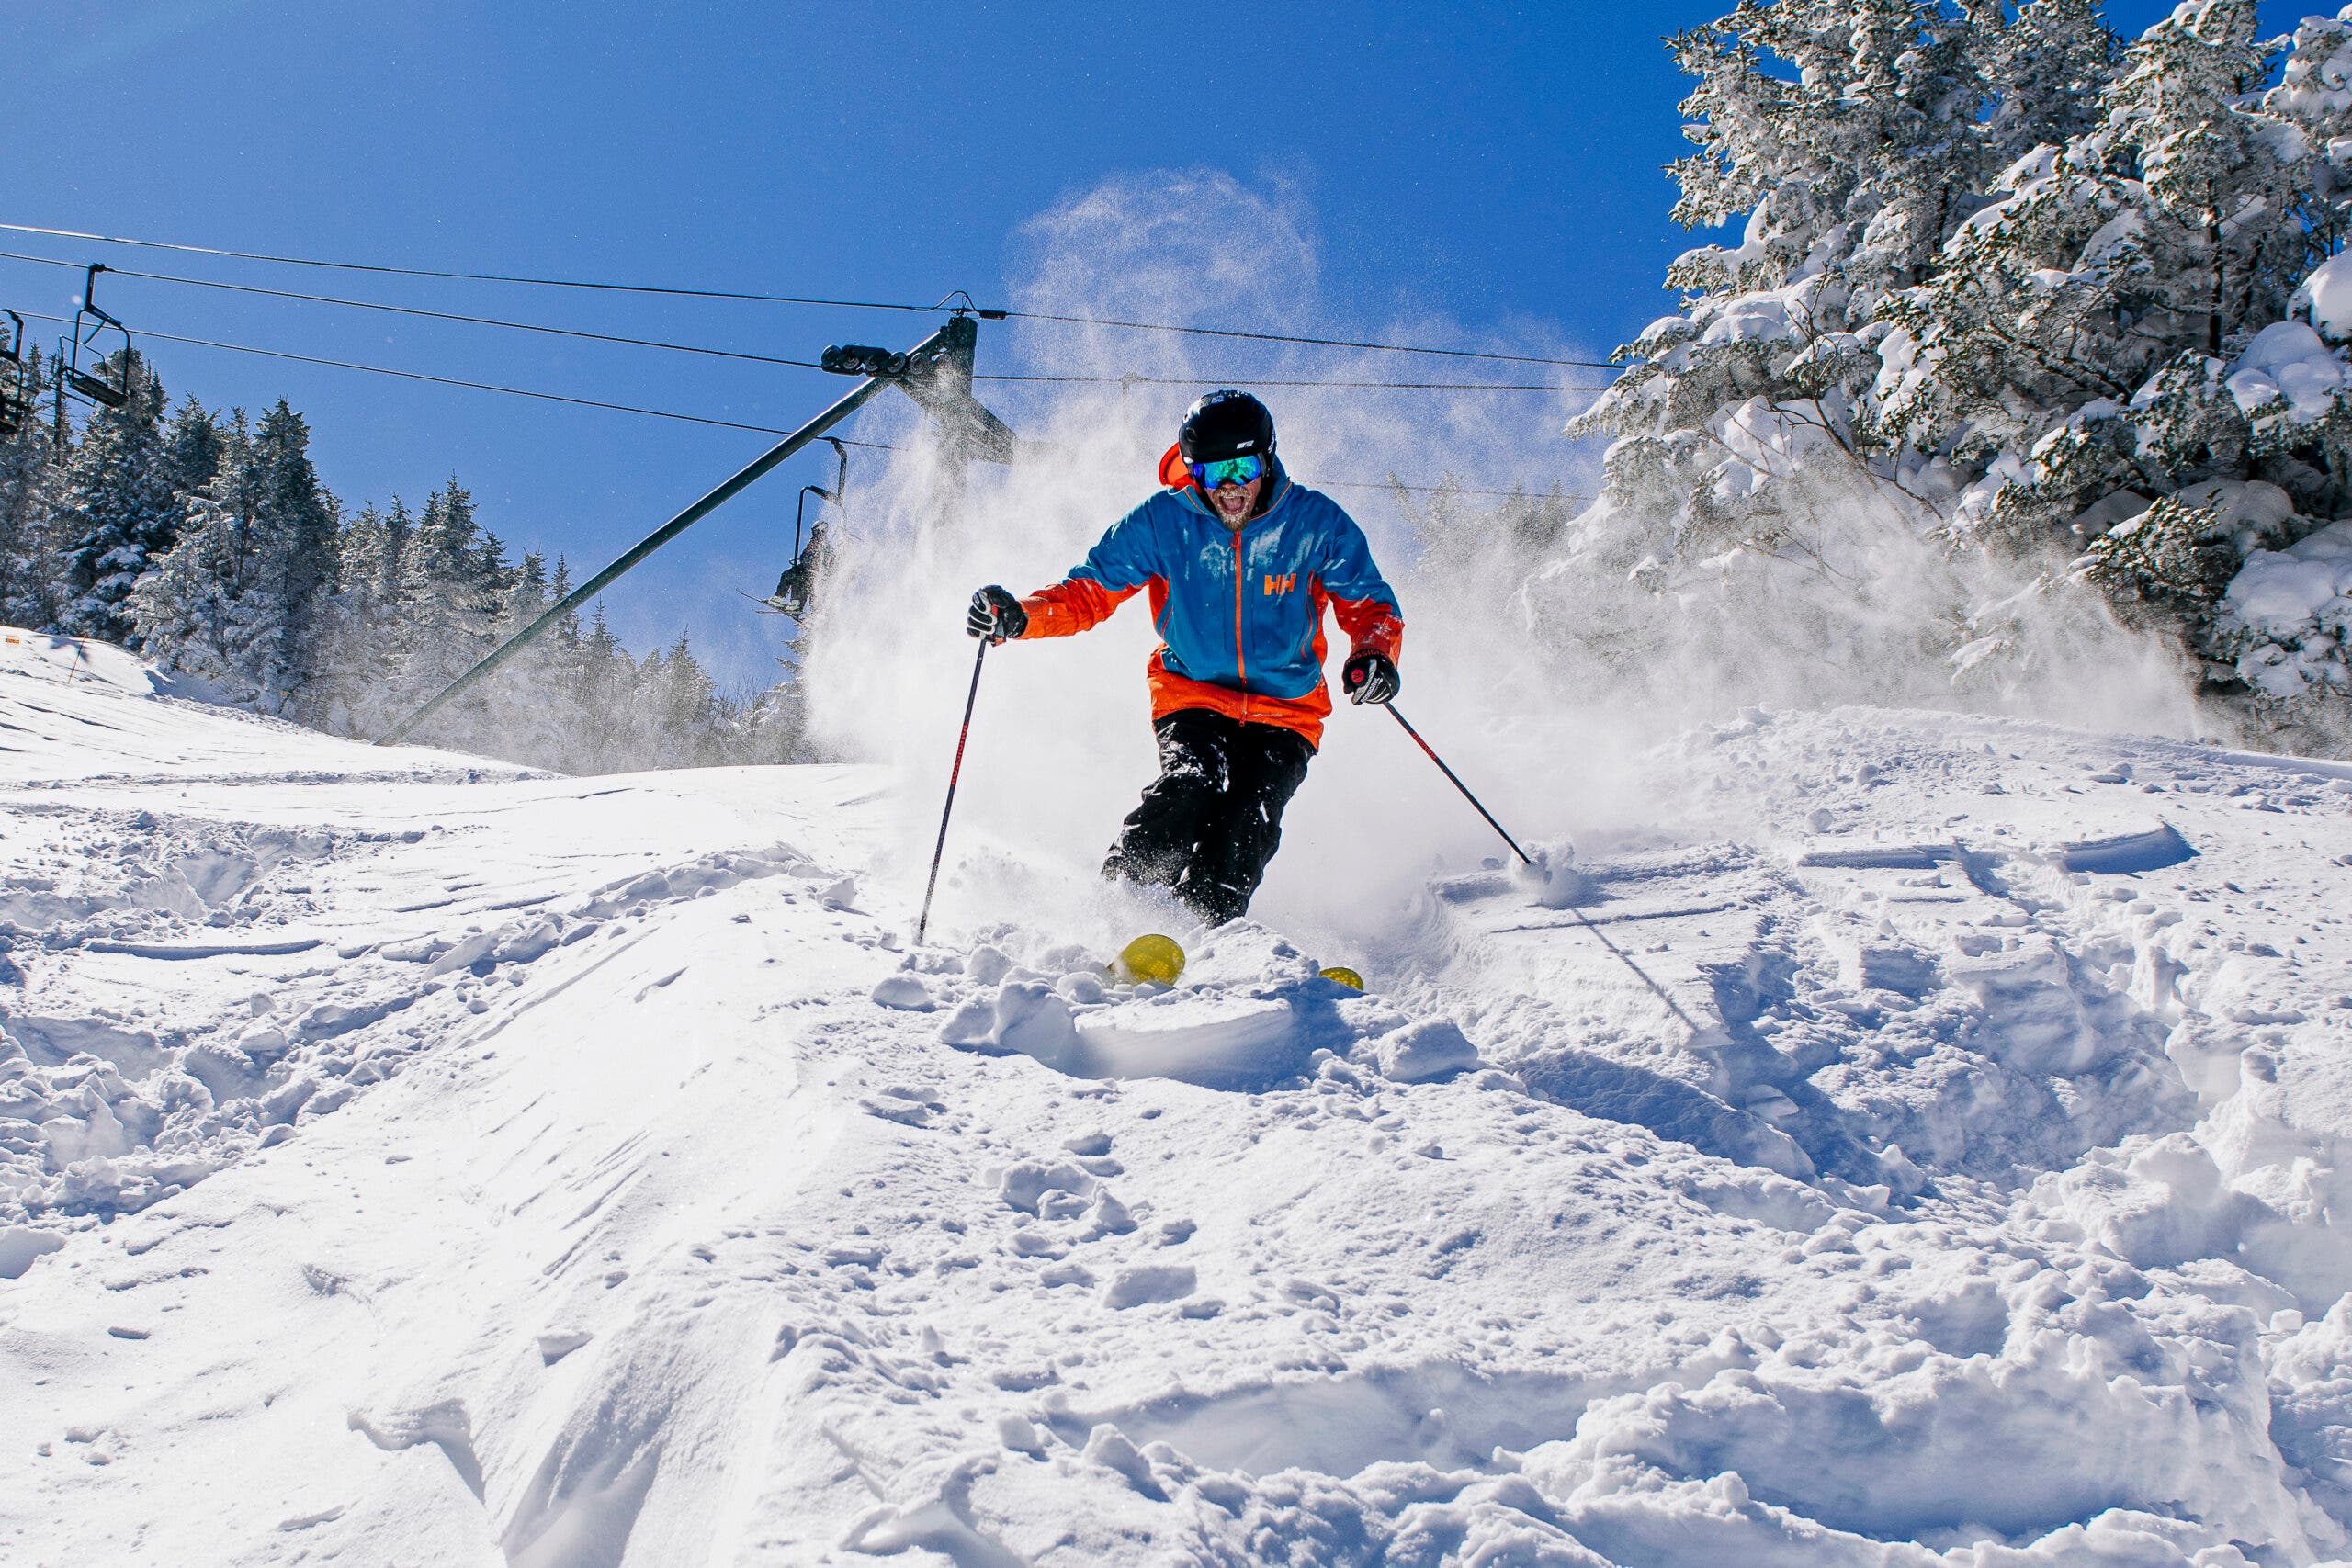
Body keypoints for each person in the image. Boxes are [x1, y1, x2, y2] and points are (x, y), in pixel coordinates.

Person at [966, 389, 1404, 926]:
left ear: (1267, 459)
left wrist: (1374, 653)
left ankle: (1199, 929)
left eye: (1242, 467)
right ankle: (1119, 909)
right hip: (1191, 693)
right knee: (1190, 783)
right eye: (1212, 471)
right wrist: (1023, 617)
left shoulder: (1314, 523)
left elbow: (1369, 603)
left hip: (1287, 712)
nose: (1229, 487)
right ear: (1192, 471)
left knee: (1247, 820)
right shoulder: (1163, 522)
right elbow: (1090, 590)